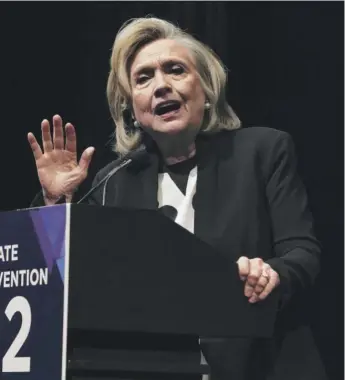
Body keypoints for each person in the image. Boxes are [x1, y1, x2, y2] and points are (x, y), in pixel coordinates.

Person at [28, 17, 328, 380]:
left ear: (206, 89)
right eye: (143, 78)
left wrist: (272, 273)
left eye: (175, 70)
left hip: (258, 365)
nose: (161, 86)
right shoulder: (116, 181)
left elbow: (302, 252)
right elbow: (66, 280)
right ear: (132, 109)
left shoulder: (262, 152)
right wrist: (55, 204)